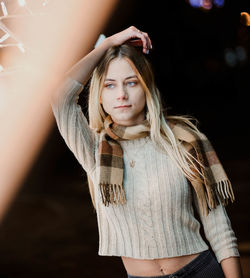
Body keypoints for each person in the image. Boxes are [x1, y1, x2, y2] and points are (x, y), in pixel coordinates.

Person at [50, 26, 243, 278]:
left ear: (147, 88)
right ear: (99, 96)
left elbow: (219, 227)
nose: (121, 94)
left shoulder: (182, 140)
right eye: (110, 85)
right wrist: (108, 44)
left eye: (131, 83)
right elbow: (60, 97)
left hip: (201, 270)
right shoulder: (96, 149)